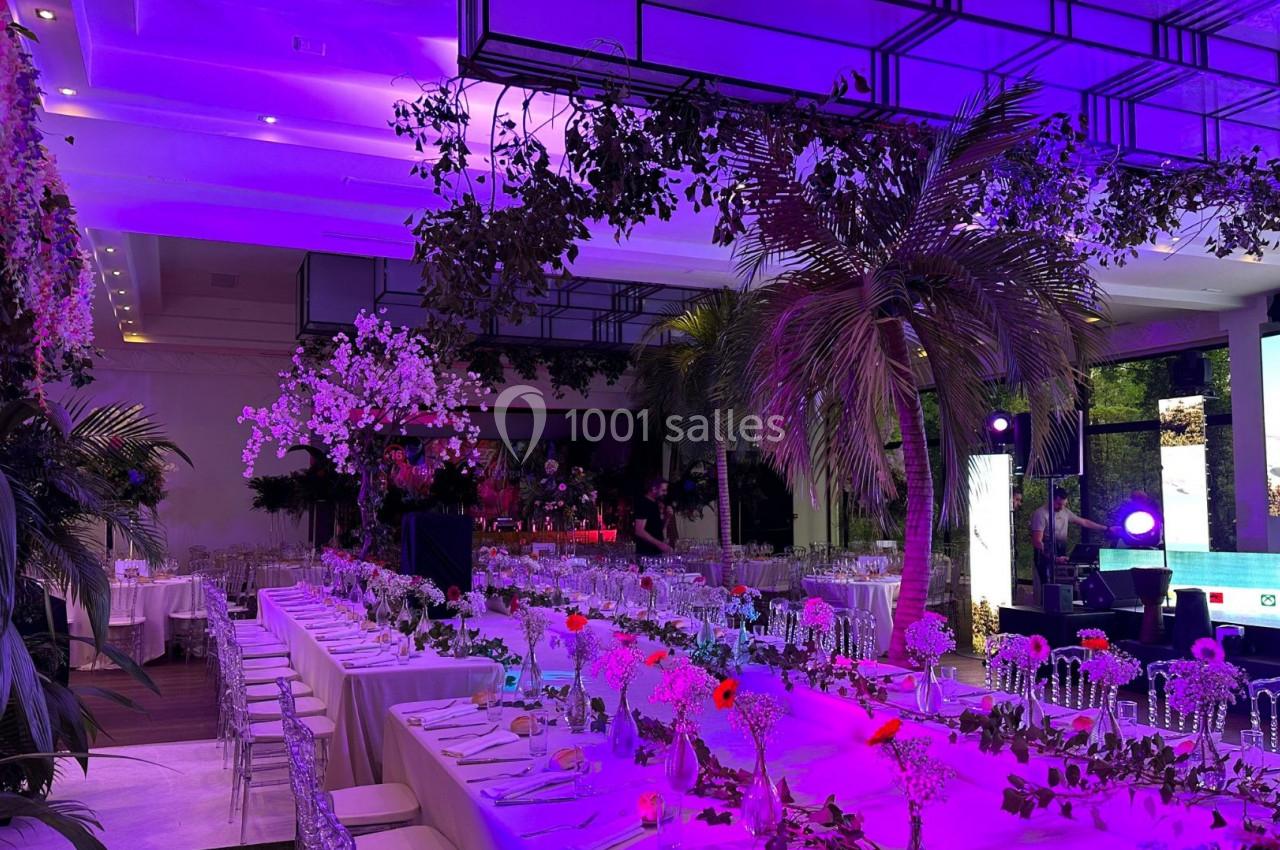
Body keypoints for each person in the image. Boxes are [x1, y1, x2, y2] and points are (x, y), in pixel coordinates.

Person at [1029, 487, 1117, 592]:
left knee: (1062, 583)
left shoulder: (1065, 512)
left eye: (1063, 504)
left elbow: (1084, 522)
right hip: (1045, 556)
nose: (1061, 507)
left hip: (1061, 551)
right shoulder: (1040, 514)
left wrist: (1107, 529)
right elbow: (1037, 542)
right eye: (1058, 504)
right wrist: (1053, 558)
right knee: (1047, 586)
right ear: (1051, 499)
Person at [633, 477, 673, 557]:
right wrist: (660, 544)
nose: (665, 493)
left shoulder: (655, 504)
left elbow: (658, 529)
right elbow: (639, 531)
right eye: (663, 490)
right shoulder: (643, 503)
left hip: (656, 553)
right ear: (654, 489)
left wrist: (668, 517)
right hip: (646, 554)